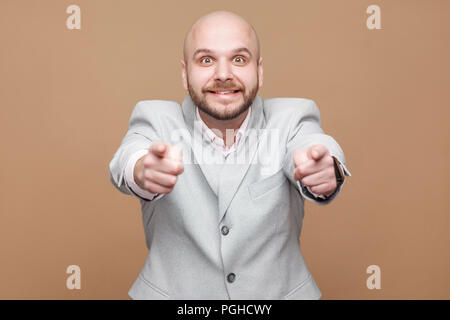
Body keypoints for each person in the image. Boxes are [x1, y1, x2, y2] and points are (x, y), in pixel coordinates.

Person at [109, 10, 351, 300]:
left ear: (259, 71)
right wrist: (140, 170)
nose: (223, 74)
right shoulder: (156, 119)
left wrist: (327, 170)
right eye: (206, 60)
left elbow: (312, 143)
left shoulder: (292, 117)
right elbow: (129, 156)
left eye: (239, 59)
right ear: (185, 74)